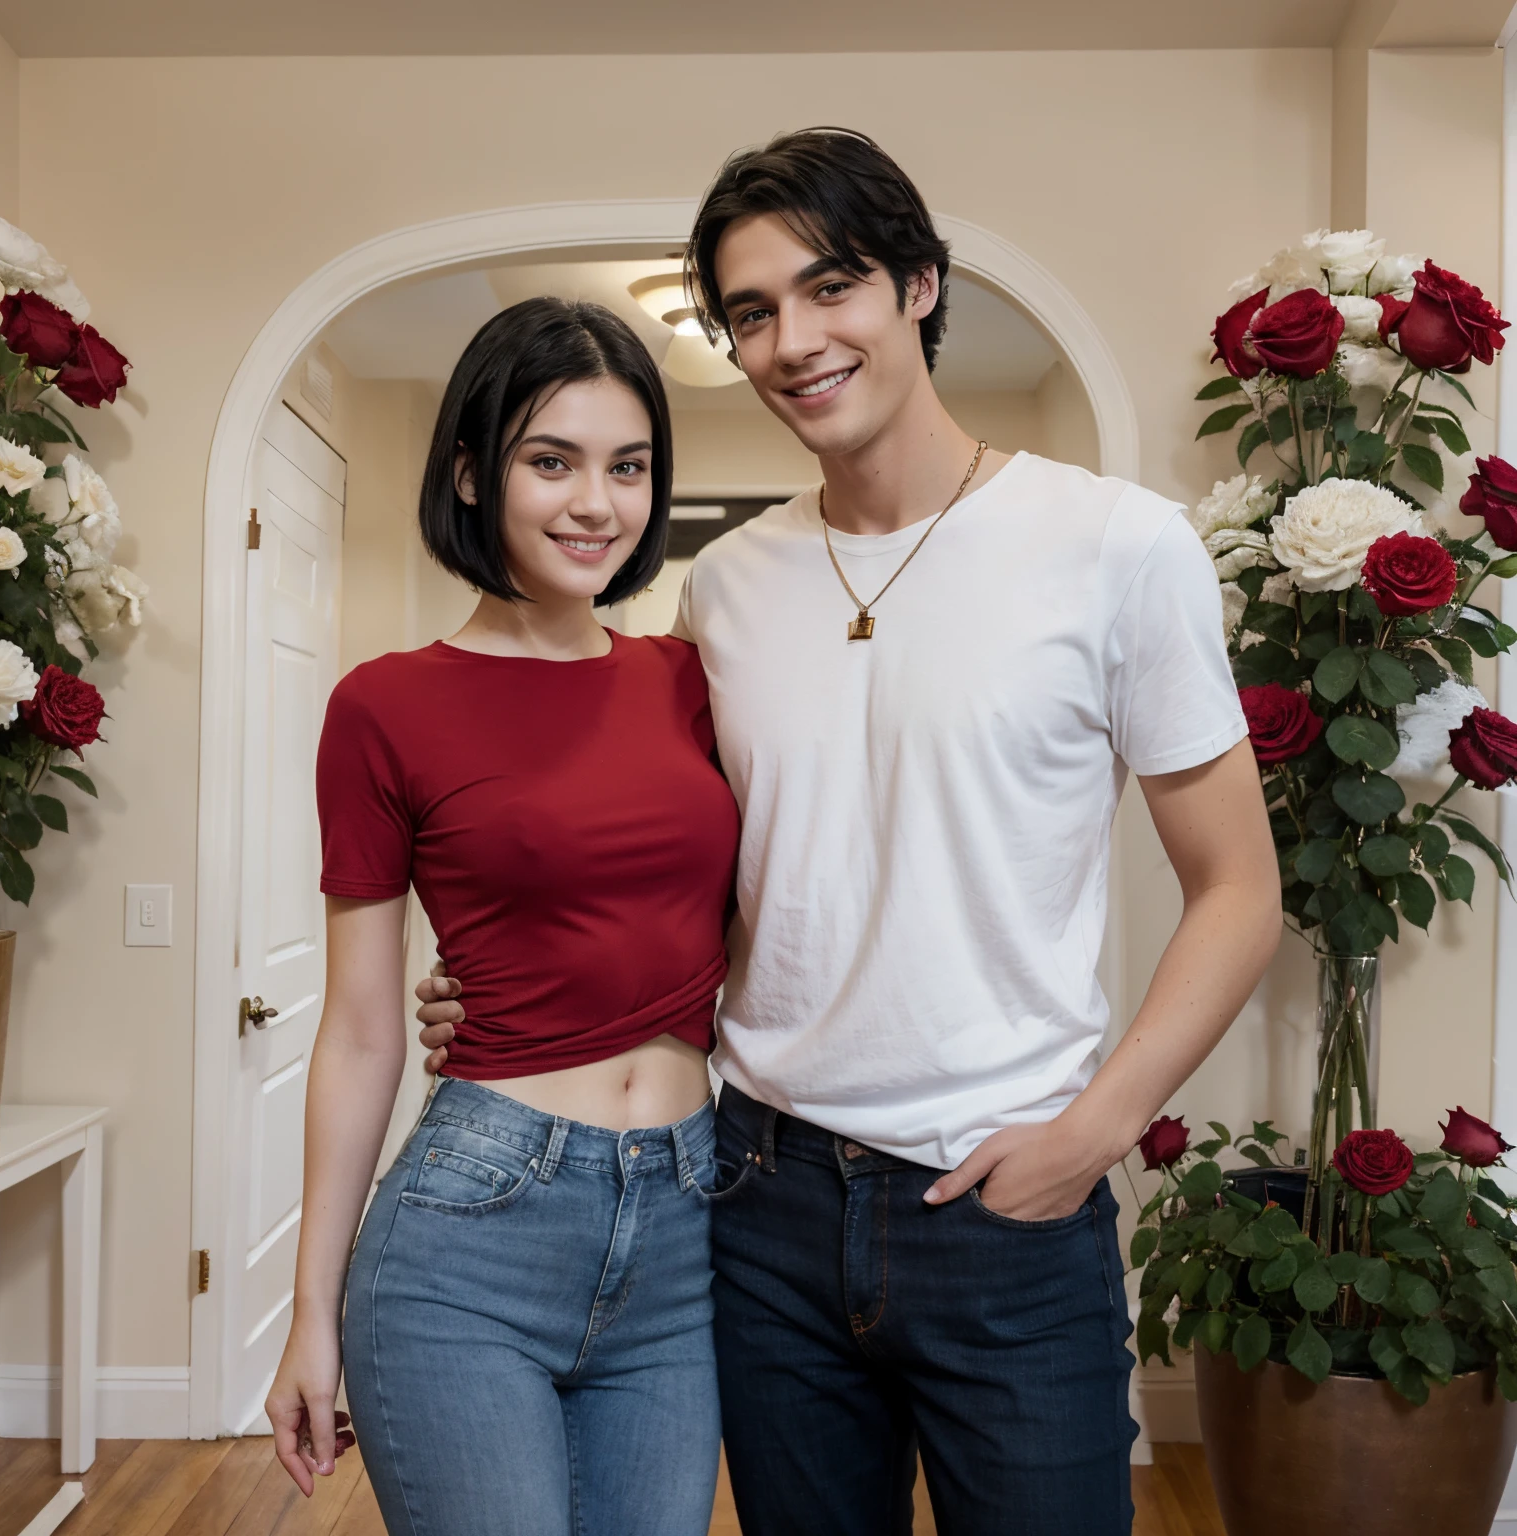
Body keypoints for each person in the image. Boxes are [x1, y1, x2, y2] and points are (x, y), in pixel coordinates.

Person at [417, 129, 1282, 1536]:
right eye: (749, 313)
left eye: (832, 290)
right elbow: (731, 891)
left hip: (1005, 1210)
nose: (792, 342)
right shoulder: (730, 586)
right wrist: (522, 983)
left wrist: (1093, 1133)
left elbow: (1241, 885)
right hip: (760, 1201)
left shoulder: (1115, 546)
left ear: (921, 286)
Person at [266, 297, 741, 1536]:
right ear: (473, 475)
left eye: (628, 467)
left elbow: (758, 922)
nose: (598, 503)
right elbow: (366, 1028)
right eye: (553, 461)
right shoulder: (386, 708)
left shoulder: (691, 684)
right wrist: (308, 1312)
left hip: (689, 1229)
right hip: (472, 1237)